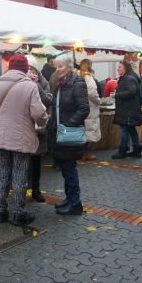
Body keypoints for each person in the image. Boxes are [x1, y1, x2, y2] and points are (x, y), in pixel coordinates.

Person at [0, 53, 48, 225]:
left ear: (10, 67)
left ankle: (0, 211)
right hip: (21, 139)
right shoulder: (29, 86)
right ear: (25, 68)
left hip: (0, 137)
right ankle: (19, 213)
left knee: (2, 174)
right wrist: (43, 121)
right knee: (20, 176)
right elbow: (38, 114)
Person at [48, 55, 90, 215]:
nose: (57, 70)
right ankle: (70, 199)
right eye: (56, 67)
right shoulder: (61, 84)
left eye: (60, 66)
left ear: (70, 67)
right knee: (66, 170)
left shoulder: (77, 83)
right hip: (60, 134)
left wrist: (68, 125)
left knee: (70, 169)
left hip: (69, 134)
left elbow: (84, 109)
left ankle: (75, 204)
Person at [26, 55, 53, 202]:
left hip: (39, 129)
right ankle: (22, 187)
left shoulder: (44, 83)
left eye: (34, 69)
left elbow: (49, 100)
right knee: (23, 161)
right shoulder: (20, 83)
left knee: (36, 162)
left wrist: (35, 87)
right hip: (24, 127)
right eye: (29, 69)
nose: (32, 73)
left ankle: (35, 189)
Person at [111, 60, 142, 159]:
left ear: (125, 68)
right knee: (131, 129)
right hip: (128, 110)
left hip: (128, 110)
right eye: (118, 67)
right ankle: (137, 150)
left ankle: (123, 150)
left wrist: (116, 95)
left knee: (124, 130)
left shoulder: (128, 78)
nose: (118, 69)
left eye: (120, 67)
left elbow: (131, 91)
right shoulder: (127, 78)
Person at [78, 59, 101, 161]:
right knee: (88, 130)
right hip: (90, 106)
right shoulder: (88, 77)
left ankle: (80, 152)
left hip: (80, 106)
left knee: (82, 129)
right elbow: (92, 93)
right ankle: (85, 153)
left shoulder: (77, 76)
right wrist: (98, 101)